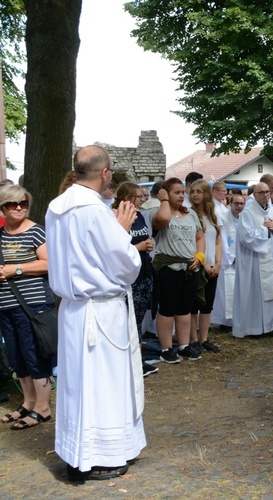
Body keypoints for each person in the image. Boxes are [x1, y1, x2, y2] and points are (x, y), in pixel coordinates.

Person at [46, 145, 145, 481]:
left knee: (77, 384)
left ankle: (78, 452)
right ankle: (101, 455)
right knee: (103, 384)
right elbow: (126, 264)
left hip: (73, 310)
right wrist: (122, 230)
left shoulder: (55, 207)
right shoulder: (96, 211)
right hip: (100, 311)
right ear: (104, 173)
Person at [0, 186, 56, 429]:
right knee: (17, 357)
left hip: (33, 307)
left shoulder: (36, 232)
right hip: (6, 306)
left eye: (23, 203)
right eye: (13, 204)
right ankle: (28, 402)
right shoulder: (1, 234)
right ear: (3, 207)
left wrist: (18, 269)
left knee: (35, 355)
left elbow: (49, 263)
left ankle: (43, 408)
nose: (19, 208)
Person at [151, 177, 206, 363]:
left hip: (189, 267)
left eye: (183, 192)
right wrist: (164, 201)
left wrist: (200, 256)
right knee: (167, 308)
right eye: (176, 192)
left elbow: (200, 237)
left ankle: (183, 346)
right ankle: (166, 348)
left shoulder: (190, 214)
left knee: (184, 308)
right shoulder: (158, 212)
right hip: (168, 267)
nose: (182, 196)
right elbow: (163, 219)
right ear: (165, 193)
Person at [233, 182, 273, 337]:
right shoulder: (248, 213)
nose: (266, 195)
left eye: (268, 192)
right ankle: (255, 328)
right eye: (261, 192)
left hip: (271, 258)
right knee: (256, 293)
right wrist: (265, 229)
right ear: (255, 194)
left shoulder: (272, 211)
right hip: (253, 260)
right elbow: (246, 237)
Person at [112, 183, 157, 377]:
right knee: (130, 319)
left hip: (145, 270)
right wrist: (138, 247)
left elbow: (144, 237)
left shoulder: (139, 216)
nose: (142, 200)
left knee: (138, 318)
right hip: (130, 276)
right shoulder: (115, 217)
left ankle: (138, 357)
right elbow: (117, 246)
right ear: (127, 198)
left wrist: (149, 244)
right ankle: (134, 360)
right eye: (138, 197)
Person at [188, 180, 223, 353]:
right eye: (193, 191)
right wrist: (205, 264)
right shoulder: (188, 214)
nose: (195, 195)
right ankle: (193, 339)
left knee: (207, 305)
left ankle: (204, 339)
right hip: (197, 265)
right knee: (194, 304)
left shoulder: (213, 215)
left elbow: (218, 241)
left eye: (199, 192)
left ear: (206, 194)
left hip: (212, 265)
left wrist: (217, 263)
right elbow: (192, 243)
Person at [212, 193, 244, 330]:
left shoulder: (244, 218)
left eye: (242, 203)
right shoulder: (223, 219)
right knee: (227, 290)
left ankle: (239, 318)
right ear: (230, 204)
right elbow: (222, 241)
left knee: (240, 290)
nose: (239, 206)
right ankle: (225, 322)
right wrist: (230, 257)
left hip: (242, 260)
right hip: (228, 261)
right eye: (236, 203)